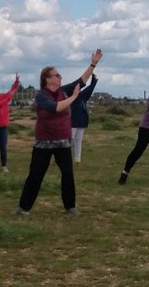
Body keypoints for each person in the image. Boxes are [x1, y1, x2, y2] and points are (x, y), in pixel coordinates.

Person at [15, 48, 103, 215]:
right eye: (57, 75)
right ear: (48, 79)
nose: (60, 77)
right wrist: (73, 97)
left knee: (68, 174)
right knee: (35, 175)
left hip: (63, 141)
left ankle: (70, 207)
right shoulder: (42, 96)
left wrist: (93, 64)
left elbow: (81, 81)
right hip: (43, 143)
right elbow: (55, 108)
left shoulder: (63, 91)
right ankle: (23, 208)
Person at [69, 73, 99, 163]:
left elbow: (90, 89)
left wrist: (93, 80)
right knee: (70, 141)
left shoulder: (82, 97)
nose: (78, 89)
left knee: (78, 141)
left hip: (81, 122)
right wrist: (94, 80)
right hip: (72, 122)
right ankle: (64, 158)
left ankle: (77, 159)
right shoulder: (70, 98)